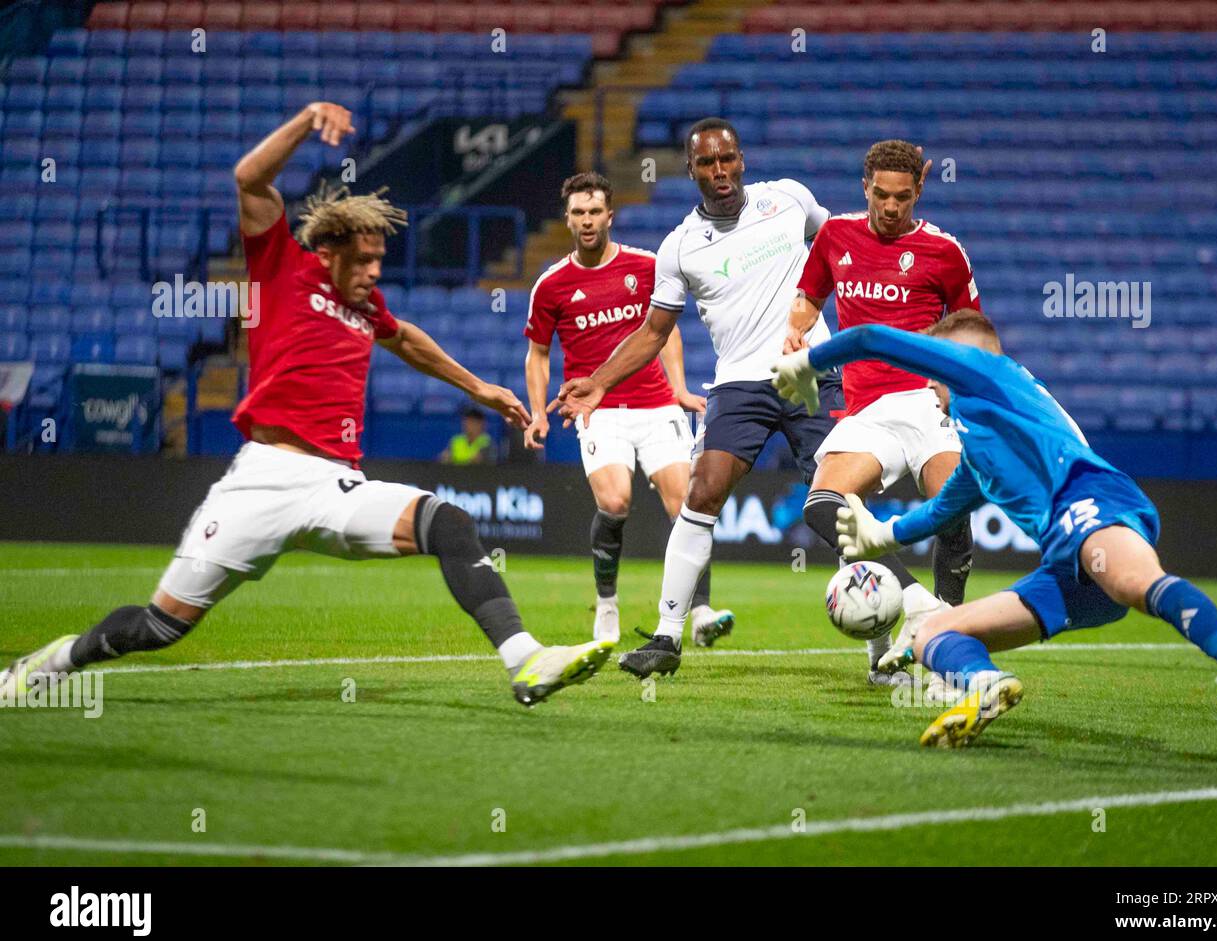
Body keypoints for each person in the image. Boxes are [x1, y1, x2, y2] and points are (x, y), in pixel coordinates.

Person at [1, 103, 614, 708]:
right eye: (365, 260)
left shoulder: (366, 307)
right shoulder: (281, 268)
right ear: (328, 252)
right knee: (161, 627)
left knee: (448, 523)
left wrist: (476, 387)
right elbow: (248, 179)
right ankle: (57, 660)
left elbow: (403, 337)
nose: (375, 272)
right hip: (261, 480)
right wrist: (306, 118)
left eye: (380, 260)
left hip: (333, 483)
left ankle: (525, 660)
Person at [772, 309, 1217, 747]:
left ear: (959, 358)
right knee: (934, 632)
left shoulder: (988, 375)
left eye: (935, 371)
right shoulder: (977, 446)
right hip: (1067, 568)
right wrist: (880, 536)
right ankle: (987, 685)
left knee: (1134, 583)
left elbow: (869, 338)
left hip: (1092, 503)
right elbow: (939, 514)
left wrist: (807, 362)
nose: (929, 385)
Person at [551, 118, 848, 680]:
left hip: (809, 372)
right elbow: (652, 333)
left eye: (728, 159)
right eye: (707, 164)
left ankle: (882, 650)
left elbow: (840, 252)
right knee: (701, 494)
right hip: (739, 384)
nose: (721, 172)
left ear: (741, 159)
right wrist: (599, 382)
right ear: (691, 171)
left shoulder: (788, 199)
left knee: (838, 500)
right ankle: (667, 637)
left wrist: (837, 330)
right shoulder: (680, 247)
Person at [785, 139, 979, 677]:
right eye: (881, 196)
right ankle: (916, 607)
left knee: (954, 511)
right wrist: (795, 333)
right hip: (868, 408)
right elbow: (808, 299)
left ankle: (948, 637)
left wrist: (964, 393)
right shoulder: (834, 236)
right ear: (864, 187)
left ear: (919, 190)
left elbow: (972, 332)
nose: (892, 208)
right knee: (823, 504)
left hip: (927, 401)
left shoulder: (944, 252)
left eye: (903, 198)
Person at [524, 171, 732, 644]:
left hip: (656, 403)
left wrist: (678, 388)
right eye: (578, 212)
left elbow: (667, 331)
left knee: (690, 504)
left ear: (610, 216)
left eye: (595, 211)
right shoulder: (552, 284)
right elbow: (537, 353)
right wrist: (538, 411)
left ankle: (698, 613)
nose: (587, 220)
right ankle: (607, 602)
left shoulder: (645, 266)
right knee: (615, 500)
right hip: (600, 412)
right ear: (568, 219)